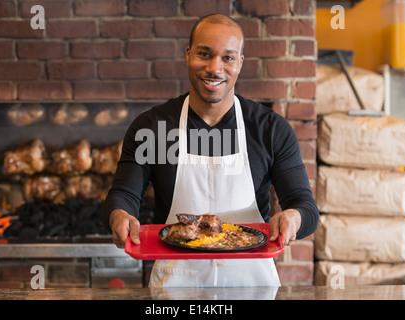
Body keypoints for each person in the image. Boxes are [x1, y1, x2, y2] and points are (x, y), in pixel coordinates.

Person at [102, 13, 319, 287]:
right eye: (204, 54)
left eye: (228, 58)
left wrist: (293, 217)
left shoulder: (270, 129)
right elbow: (122, 195)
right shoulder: (153, 128)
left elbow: (305, 206)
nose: (215, 68)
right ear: (188, 54)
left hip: (251, 285)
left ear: (240, 62)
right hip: (177, 285)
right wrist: (119, 215)